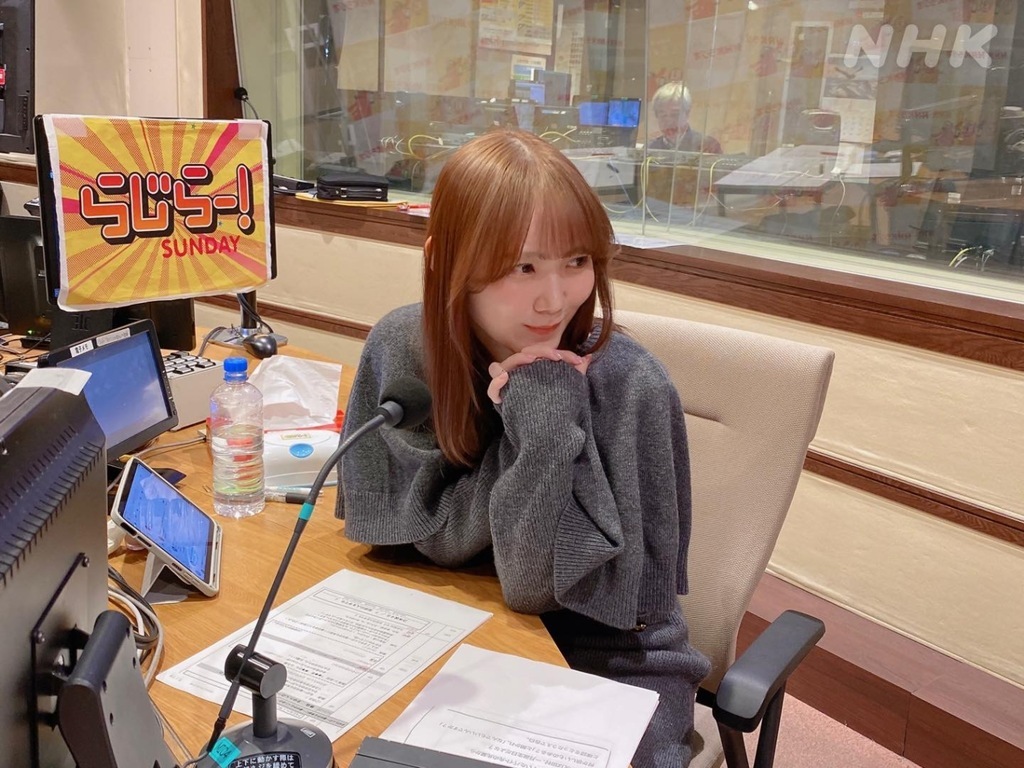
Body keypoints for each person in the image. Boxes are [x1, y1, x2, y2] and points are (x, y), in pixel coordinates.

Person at [336, 129, 710, 768]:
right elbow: (399, 527)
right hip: (441, 617)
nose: (555, 299)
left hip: (608, 656)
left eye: (577, 261)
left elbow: (534, 585)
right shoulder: (405, 348)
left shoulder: (630, 386)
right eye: (522, 267)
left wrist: (543, 420)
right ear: (444, 261)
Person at [648, 81, 722, 154]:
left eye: (675, 114)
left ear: (687, 113)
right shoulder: (649, 149)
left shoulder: (707, 146)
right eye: (663, 115)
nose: (669, 121)